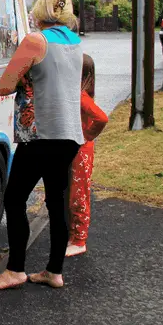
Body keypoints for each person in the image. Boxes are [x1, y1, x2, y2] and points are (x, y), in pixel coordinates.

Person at [0, 0, 85, 290]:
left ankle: (15, 270)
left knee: (14, 199)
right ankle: (54, 271)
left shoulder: (35, 41)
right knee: (56, 201)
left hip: (39, 135)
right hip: (69, 134)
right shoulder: (74, 41)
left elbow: (5, 86)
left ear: (39, 12)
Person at [65, 54, 109, 257]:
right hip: (74, 147)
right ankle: (73, 235)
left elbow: (101, 118)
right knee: (72, 192)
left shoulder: (80, 96)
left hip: (80, 149)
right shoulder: (77, 93)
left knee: (79, 194)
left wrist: (88, 135)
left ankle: (79, 240)